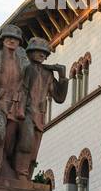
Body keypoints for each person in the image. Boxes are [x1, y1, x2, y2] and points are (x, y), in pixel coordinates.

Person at [0, 24, 29, 179]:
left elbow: (27, 83)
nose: (11, 41)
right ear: (3, 40)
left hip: (15, 104)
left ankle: (5, 166)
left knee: (9, 141)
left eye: (15, 39)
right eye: (8, 38)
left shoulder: (23, 61)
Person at [17, 37, 68, 178]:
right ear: (30, 52)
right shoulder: (23, 67)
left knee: (33, 152)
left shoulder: (47, 73)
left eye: (45, 53)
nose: (42, 55)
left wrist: (62, 75)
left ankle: (26, 178)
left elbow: (59, 97)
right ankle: (20, 174)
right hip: (23, 113)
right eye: (39, 51)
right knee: (25, 144)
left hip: (39, 116)